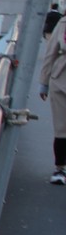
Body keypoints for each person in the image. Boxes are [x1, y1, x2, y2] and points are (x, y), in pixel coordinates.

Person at [40, 13, 66, 184]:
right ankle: (60, 168)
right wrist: (44, 82)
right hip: (61, 80)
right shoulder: (63, 23)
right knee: (61, 128)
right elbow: (51, 53)